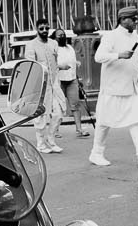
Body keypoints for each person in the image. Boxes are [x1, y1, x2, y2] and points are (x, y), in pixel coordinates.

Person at [91, 6, 138, 181]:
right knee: (103, 122)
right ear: (123, 19)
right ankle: (96, 153)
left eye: (136, 19)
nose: (135, 22)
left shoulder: (135, 37)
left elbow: (136, 60)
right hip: (112, 87)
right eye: (133, 19)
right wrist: (118, 55)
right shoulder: (110, 36)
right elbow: (99, 56)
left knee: (137, 123)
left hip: (131, 87)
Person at [25, 19, 64, 152]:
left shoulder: (53, 43)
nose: (45, 31)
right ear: (37, 29)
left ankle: (51, 141)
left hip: (54, 84)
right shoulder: (31, 45)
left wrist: (61, 67)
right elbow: (31, 65)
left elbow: (55, 61)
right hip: (40, 85)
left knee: (58, 113)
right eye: (41, 28)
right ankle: (41, 144)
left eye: (47, 28)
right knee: (40, 116)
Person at [54, 29, 90, 137]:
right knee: (58, 107)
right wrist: (61, 67)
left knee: (75, 105)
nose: (62, 36)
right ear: (55, 38)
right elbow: (51, 64)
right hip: (59, 80)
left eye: (63, 34)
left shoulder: (70, 48)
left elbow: (72, 61)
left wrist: (76, 64)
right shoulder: (53, 49)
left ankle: (79, 129)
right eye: (59, 35)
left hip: (72, 79)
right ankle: (55, 130)